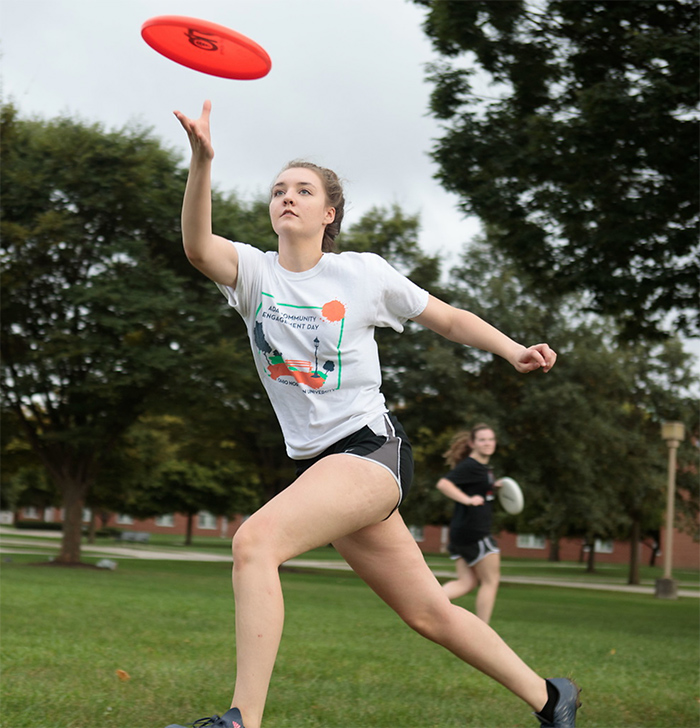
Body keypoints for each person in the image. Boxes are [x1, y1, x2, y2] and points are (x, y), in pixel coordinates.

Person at [165, 100, 580, 728]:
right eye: (278, 190)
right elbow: (197, 247)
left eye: (303, 190)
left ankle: (240, 722)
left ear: (328, 213)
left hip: (370, 451)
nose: (287, 197)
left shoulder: (361, 275)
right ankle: (552, 699)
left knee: (255, 542)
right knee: (429, 614)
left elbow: (445, 317)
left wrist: (512, 348)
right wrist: (202, 161)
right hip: (323, 467)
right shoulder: (253, 273)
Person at [437, 425, 503, 624]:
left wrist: (493, 486)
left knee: (467, 582)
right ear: (472, 443)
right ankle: (483, 629)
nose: (487, 443)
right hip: (474, 531)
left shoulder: (482, 468)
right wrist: (467, 500)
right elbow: (444, 484)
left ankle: (424, 603)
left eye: (491, 439)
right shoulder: (471, 465)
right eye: (482, 440)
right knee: (491, 581)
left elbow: (477, 488)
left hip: (462, 531)